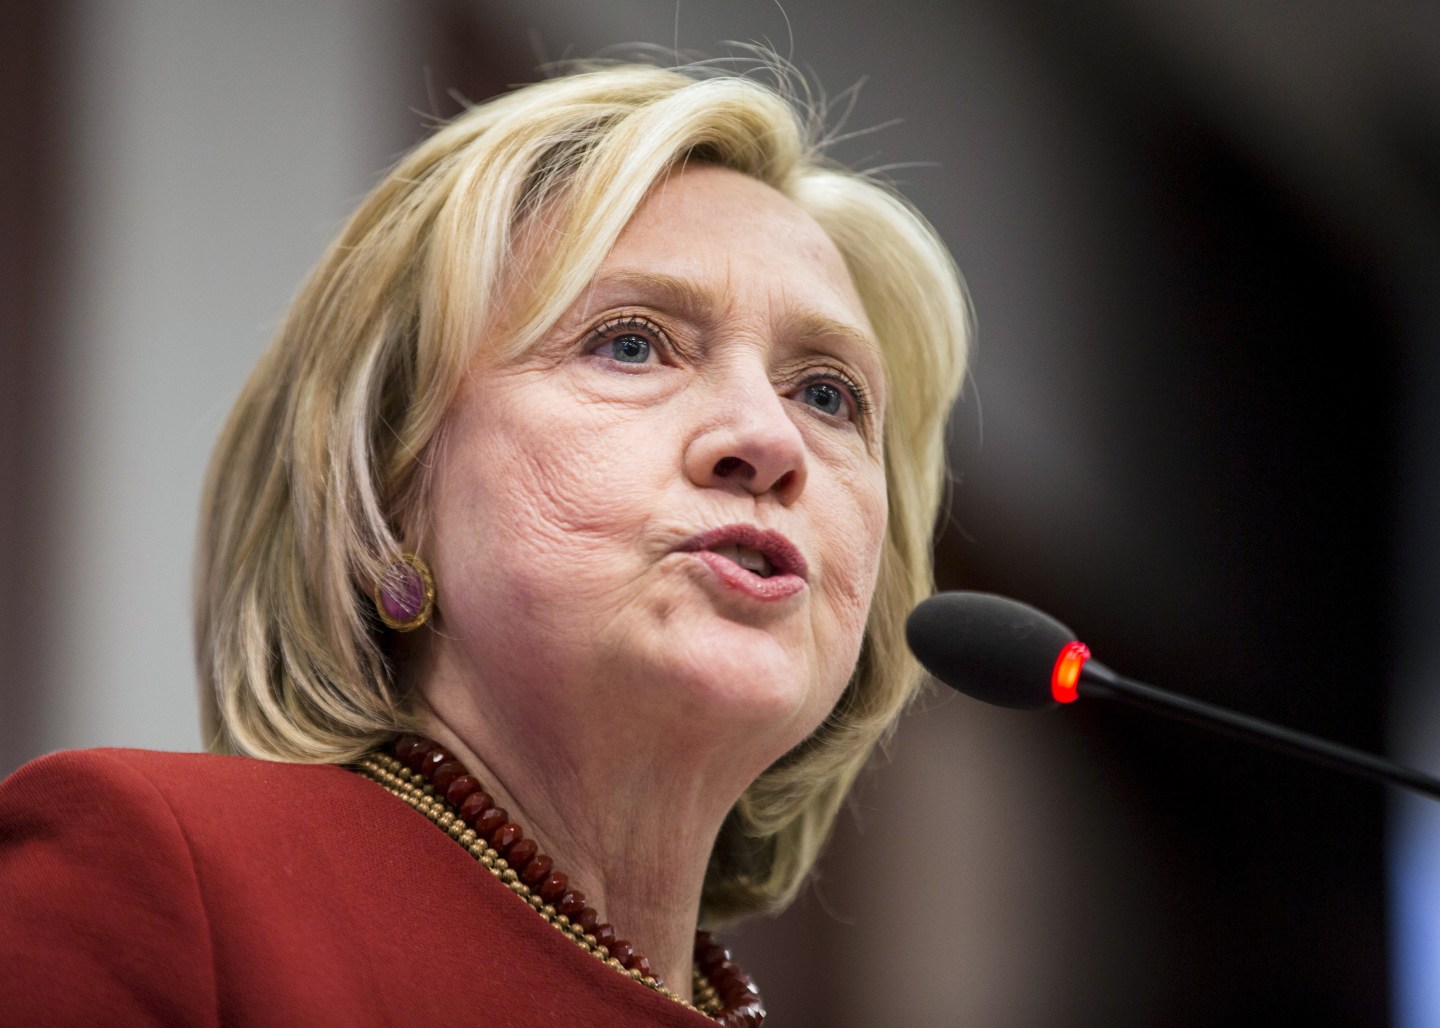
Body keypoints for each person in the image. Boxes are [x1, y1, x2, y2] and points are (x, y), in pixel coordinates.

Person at [0, 60, 967, 1025]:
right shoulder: (163, 877)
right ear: (390, 489)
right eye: (631, 342)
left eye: (827, 396)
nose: (768, 441)